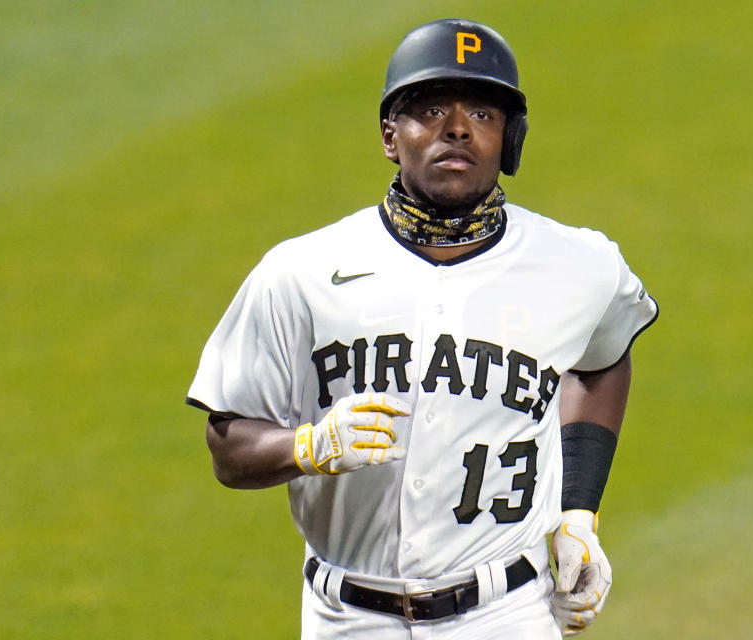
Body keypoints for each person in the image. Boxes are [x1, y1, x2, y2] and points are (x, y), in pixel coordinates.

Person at [187, 18, 658, 639]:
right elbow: (228, 446)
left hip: (505, 614)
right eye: (430, 108)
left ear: (509, 138)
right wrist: (308, 446)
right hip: (347, 618)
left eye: (483, 114)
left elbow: (603, 358)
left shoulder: (581, 267)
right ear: (390, 135)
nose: (457, 128)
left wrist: (577, 514)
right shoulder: (299, 271)